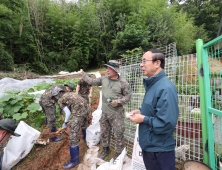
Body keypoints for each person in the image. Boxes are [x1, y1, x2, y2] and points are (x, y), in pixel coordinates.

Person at [129, 49, 179, 170]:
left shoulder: (165, 88)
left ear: (157, 63)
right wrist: (140, 111)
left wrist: (143, 119)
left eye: (144, 61)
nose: (141, 64)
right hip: (151, 146)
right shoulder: (153, 85)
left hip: (160, 150)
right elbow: (155, 109)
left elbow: (165, 123)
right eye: (141, 62)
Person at [77, 60, 132, 160]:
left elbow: (128, 97)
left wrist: (118, 101)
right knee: (104, 132)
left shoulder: (123, 83)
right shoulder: (104, 79)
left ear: (115, 70)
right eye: (106, 68)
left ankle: (119, 153)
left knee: (118, 133)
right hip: (105, 112)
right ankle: (106, 149)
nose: (107, 70)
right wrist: (83, 74)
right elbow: (92, 81)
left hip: (116, 113)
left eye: (109, 68)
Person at [52, 88, 90, 169]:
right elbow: (72, 103)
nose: (55, 97)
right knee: (83, 124)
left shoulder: (60, 100)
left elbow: (68, 113)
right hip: (87, 109)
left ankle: (74, 160)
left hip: (79, 113)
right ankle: (86, 138)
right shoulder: (70, 93)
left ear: (56, 95)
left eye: (55, 96)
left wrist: (65, 123)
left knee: (73, 137)